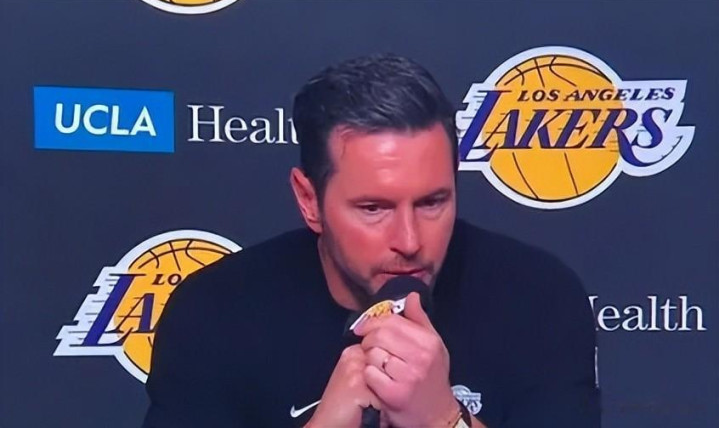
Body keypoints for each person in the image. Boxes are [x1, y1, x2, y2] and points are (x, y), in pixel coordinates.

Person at [143, 54, 600, 428]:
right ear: (309, 200)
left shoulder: (539, 298)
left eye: (432, 202)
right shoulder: (216, 312)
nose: (409, 241)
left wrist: (442, 419)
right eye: (373, 209)